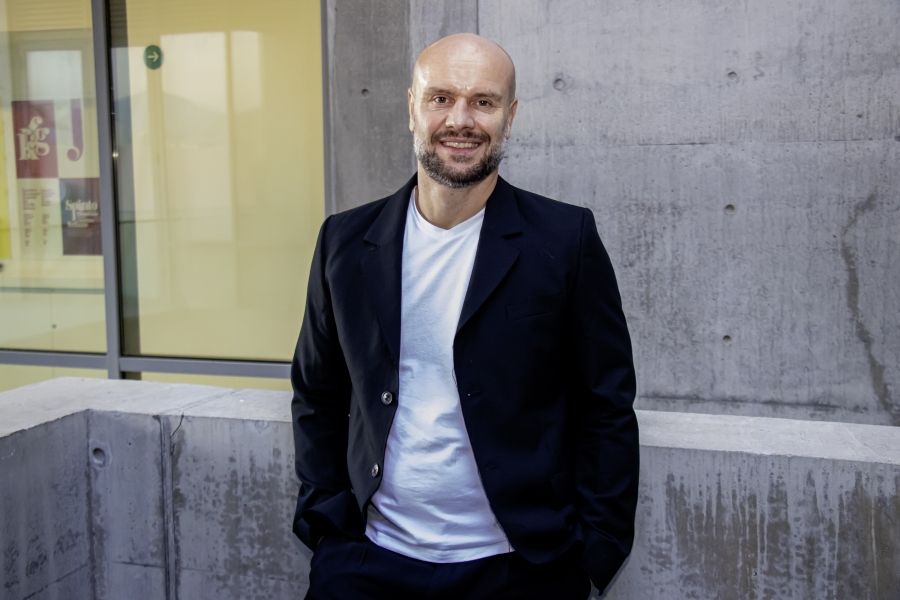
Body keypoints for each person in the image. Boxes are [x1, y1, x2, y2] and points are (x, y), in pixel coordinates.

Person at [291, 33, 639, 599]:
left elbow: (606, 405)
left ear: (510, 116)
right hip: (366, 561)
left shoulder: (565, 239)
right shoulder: (344, 241)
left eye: (483, 101)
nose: (461, 120)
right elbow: (317, 393)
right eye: (441, 98)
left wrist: (594, 556)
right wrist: (325, 525)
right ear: (412, 108)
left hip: (521, 568)